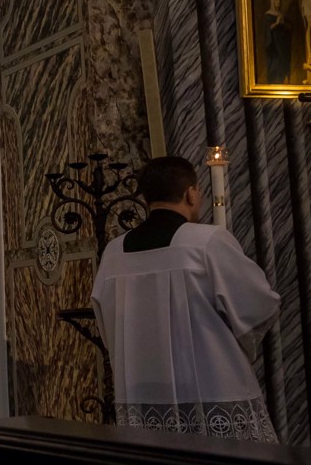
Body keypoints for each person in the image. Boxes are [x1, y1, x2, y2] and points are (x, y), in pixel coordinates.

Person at [91, 155, 281, 441]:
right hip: (213, 388)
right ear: (190, 193)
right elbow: (259, 304)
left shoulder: (114, 253)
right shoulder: (206, 242)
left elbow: (106, 324)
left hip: (143, 394)